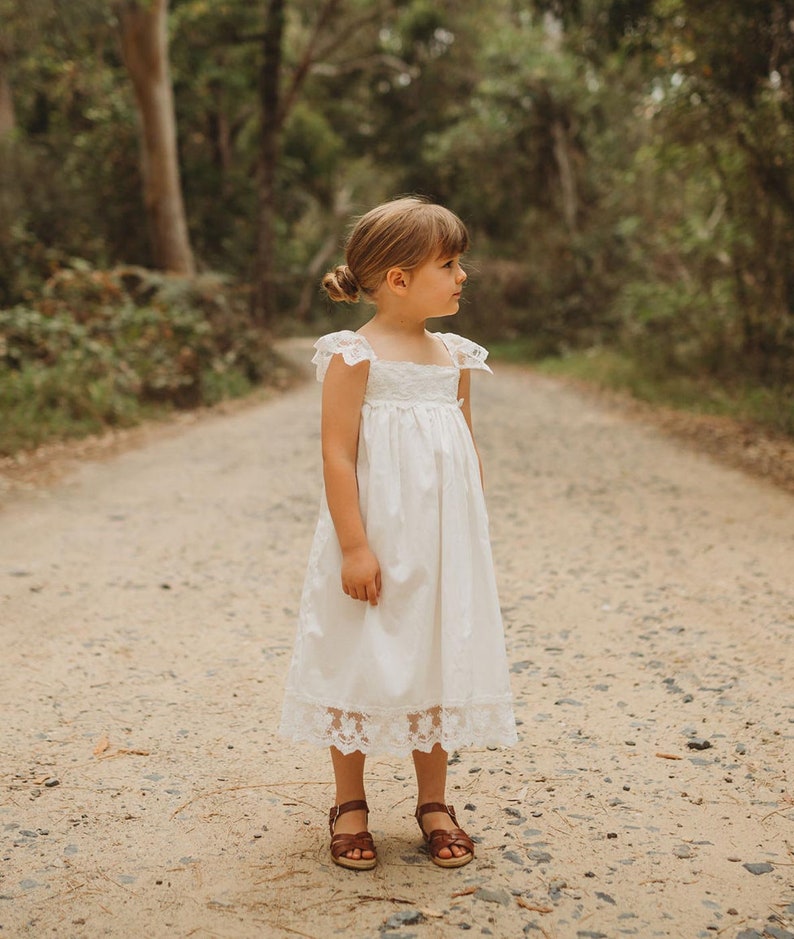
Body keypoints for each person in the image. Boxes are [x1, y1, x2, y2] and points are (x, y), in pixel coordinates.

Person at [278, 196, 517, 871]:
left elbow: (463, 444)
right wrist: (354, 544)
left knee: (436, 650)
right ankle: (349, 801)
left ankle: (433, 800)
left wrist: (469, 530)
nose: (463, 274)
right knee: (358, 650)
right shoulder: (353, 354)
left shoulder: (456, 355)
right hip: (375, 535)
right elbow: (337, 451)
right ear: (399, 279)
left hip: (440, 539)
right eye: (449, 263)